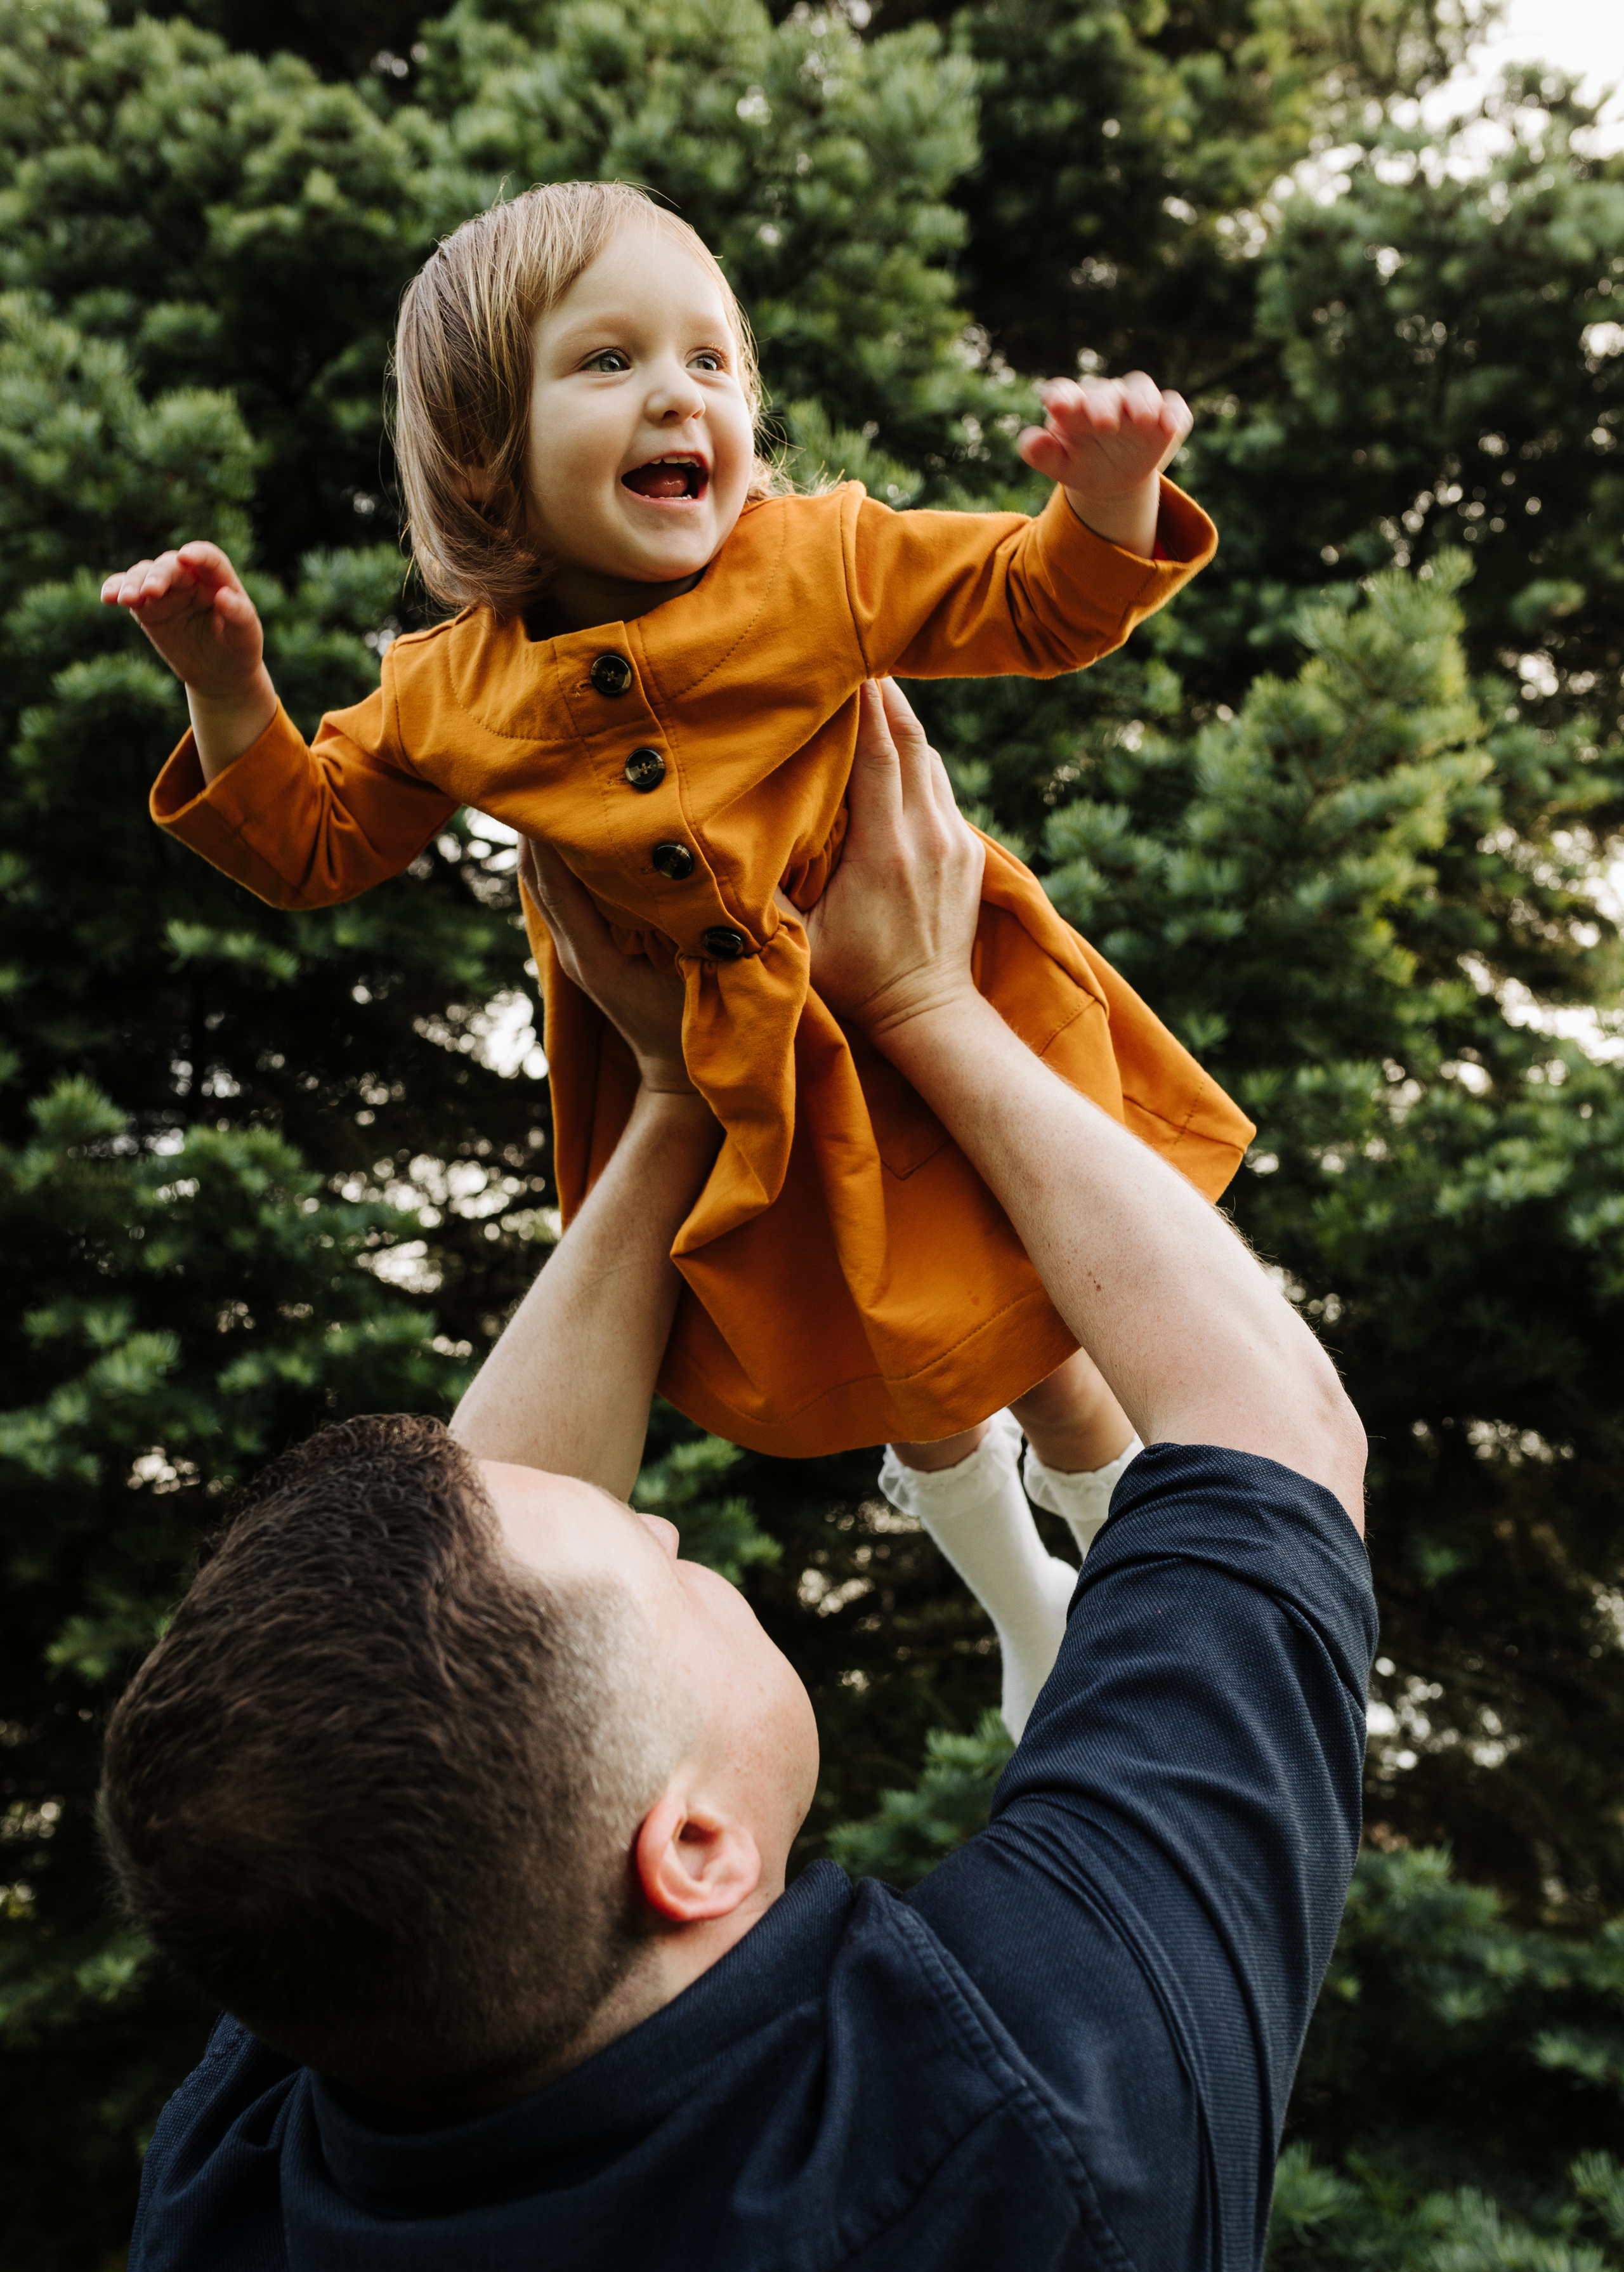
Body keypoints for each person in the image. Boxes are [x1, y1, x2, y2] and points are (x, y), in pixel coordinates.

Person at [104, 681, 1372, 2272]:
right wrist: (927, 999)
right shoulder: (1039, 2106)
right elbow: (1272, 1435)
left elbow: (443, 1633)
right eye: (655, 1562)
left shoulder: (256, 2227)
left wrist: (672, 1102)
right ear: (689, 1847)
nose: (664, 1514)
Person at [99, 179, 1252, 1733]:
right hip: (737, 1082)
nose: (678, 394)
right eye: (608, 361)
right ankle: (1019, 1602)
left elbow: (1030, 603)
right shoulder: (450, 689)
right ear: (482, 456)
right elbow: (313, 846)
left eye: (712, 361)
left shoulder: (819, 559)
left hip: (934, 1018)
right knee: (892, 1360)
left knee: (1037, 1322)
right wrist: (230, 694)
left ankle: (1133, 1572)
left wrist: (1106, 501)